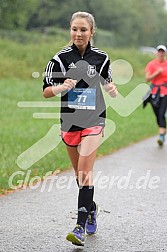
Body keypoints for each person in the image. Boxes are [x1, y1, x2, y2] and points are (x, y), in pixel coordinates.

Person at [43, 11, 117, 246]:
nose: (78, 33)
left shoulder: (102, 58)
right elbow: (45, 91)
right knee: (79, 175)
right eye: (74, 29)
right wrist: (61, 87)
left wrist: (111, 88)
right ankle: (91, 208)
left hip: (95, 120)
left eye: (83, 29)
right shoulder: (59, 59)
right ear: (70, 30)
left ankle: (79, 226)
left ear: (91, 32)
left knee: (85, 171)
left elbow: (107, 81)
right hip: (70, 122)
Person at [145, 44, 167, 146]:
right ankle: (163, 129)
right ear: (157, 53)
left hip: (165, 92)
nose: (161, 53)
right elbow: (147, 79)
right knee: (157, 114)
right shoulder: (151, 64)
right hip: (154, 93)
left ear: (165, 53)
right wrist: (157, 73)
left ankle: (161, 136)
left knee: (162, 113)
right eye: (159, 51)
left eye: (163, 52)